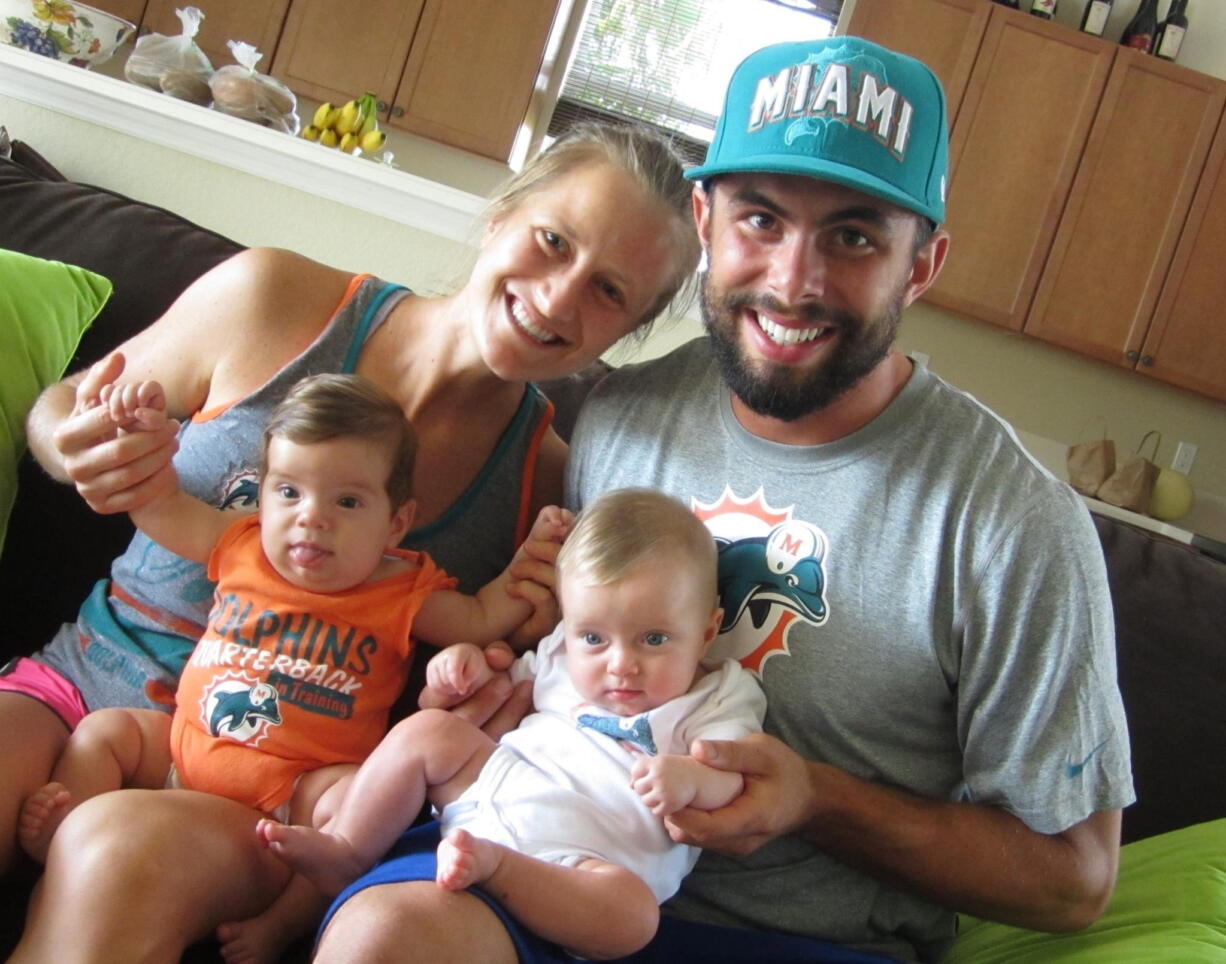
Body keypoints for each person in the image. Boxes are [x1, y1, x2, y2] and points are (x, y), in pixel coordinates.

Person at [316, 37, 1135, 964]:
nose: (793, 281)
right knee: (380, 940)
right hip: (541, 866)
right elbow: (555, 654)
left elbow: (1074, 880)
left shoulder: (1013, 523)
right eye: (760, 220)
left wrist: (816, 800)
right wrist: (477, 684)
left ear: (922, 265)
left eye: (855, 236)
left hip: (796, 941)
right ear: (705, 219)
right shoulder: (622, 417)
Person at [3, 121, 701, 963]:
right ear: (501, 217)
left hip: (266, 787)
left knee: (117, 850)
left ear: (625, 334)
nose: (558, 299)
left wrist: (475, 688)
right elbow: (66, 404)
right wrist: (73, 442)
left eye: (609, 292)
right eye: (552, 242)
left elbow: (531, 683)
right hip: (77, 690)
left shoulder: (544, 494)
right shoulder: (275, 298)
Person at [17, 372, 571, 957]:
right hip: (185, 749)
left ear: (396, 522)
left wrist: (528, 564)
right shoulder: (243, 542)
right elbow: (158, 506)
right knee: (106, 730)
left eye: (348, 501)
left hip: (296, 790)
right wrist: (139, 434)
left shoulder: (404, 588)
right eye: (289, 492)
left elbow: (481, 616)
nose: (312, 517)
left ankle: (285, 921)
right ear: (263, 495)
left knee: (358, 802)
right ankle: (62, 827)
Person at [259, 487, 765, 960]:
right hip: (496, 790)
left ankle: (498, 868)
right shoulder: (559, 656)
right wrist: (462, 670)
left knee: (634, 917)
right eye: (593, 637)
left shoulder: (718, 696)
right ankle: (348, 848)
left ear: (706, 632)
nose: (619, 665)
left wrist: (694, 780)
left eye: (653, 640)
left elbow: (736, 777)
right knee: (430, 730)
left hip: (584, 863)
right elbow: (495, 686)